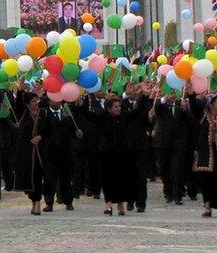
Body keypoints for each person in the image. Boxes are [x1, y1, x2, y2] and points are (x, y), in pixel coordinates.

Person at [79, 83, 152, 216]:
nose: (118, 109)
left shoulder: (124, 117)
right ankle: (108, 203)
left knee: (121, 178)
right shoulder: (103, 118)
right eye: (115, 107)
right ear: (109, 108)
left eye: (119, 106)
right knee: (107, 178)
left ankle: (120, 204)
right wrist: (82, 101)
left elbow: (138, 111)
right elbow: (87, 114)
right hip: (106, 152)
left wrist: (145, 96)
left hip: (123, 152)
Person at [152, 89, 192, 205]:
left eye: (175, 93)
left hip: (177, 143)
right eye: (171, 93)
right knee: (164, 169)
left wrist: (186, 110)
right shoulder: (161, 105)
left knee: (176, 169)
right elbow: (156, 107)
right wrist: (163, 98)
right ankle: (168, 192)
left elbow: (190, 121)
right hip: (163, 143)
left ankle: (177, 195)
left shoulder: (181, 106)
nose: (173, 95)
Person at [38, 98, 78, 211]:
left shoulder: (67, 112)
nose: (57, 102)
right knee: (50, 178)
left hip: (65, 151)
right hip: (50, 151)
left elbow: (72, 130)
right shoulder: (45, 113)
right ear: (49, 101)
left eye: (59, 100)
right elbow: (42, 131)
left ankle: (68, 201)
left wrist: (77, 133)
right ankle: (49, 202)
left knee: (66, 178)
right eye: (54, 100)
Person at [13, 90, 45, 215]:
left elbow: (48, 129)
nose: (36, 103)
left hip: (40, 152)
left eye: (37, 100)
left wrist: (40, 137)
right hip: (26, 152)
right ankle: (33, 200)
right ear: (27, 104)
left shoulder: (42, 113)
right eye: (33, 101)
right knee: (29, 178)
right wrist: (20, 89)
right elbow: (18, 105)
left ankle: (38, 202)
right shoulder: (23, 114)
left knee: (38, 176)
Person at [192, 96, 217, 217]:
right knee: (206, 180)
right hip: (207, 153)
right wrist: (191, 92)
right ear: (211, 104)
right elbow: (194, 105)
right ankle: (207, 206)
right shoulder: (203, 116)